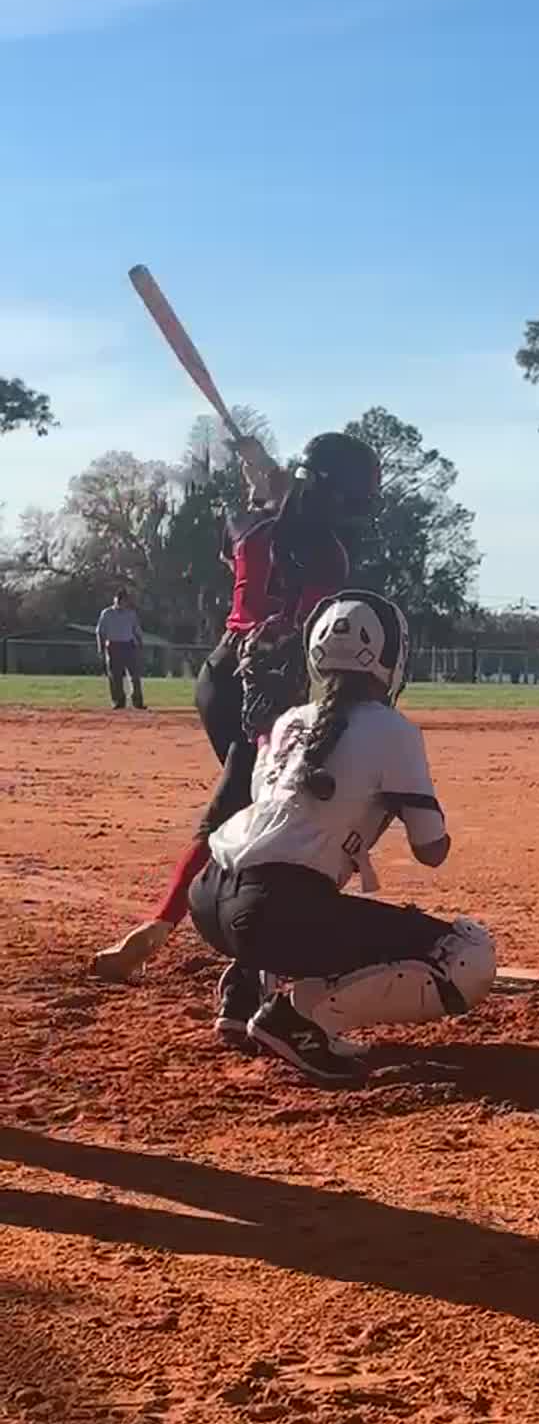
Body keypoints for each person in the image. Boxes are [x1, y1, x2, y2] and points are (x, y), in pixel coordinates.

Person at [92, 431, 379, 1013]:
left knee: (251, 805)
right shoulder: (332, 555)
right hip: (266, 691)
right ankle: (174, 930)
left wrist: (264, 486)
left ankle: (225, 926)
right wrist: (270, 482)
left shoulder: (249, 527)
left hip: (217, 678)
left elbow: (255, 533)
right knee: (249, 810)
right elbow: (312, 631)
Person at [188, 590, 497, 1085]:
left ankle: (245, 991)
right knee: (467, 956)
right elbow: (431, 850)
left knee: (300, 882)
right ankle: (297, 1020)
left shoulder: (289, 721)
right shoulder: (392, 729)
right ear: (389, 658)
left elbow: (272, 821)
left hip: (208, 896)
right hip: (267, 913)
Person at [96, 588, 145, 710]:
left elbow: (137, 631)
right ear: (115, 600)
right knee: (115, 677)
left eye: (124, 600)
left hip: (129, 646)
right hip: (113, 646)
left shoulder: (131, 614)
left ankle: (137, 702)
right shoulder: (107, 613)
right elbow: (100, 632)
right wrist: (100, 648)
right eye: (119, 599)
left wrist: (140, 645)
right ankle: (118, 702)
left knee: (135, 676)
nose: (121, 602)